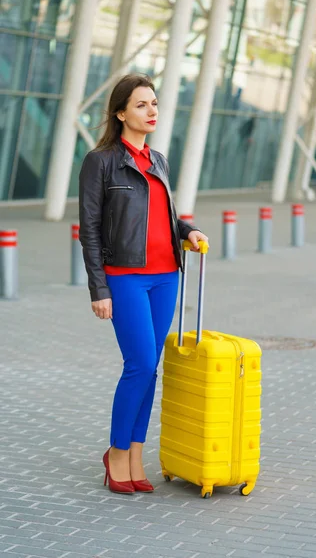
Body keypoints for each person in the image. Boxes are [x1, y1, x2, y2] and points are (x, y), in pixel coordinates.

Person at [79, 74, 208, 494]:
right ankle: (116, 453)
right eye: (141, 105)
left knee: (151, 369)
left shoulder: (159, 160)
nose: (151, 111)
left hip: (165, 274)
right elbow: (91, 229)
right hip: (126, 278)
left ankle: (135, 453)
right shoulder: (100, 162)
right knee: (138, 365)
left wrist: (187, 231)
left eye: (153, 103)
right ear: (120, 113)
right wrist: (99, 288)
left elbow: (165, 217)